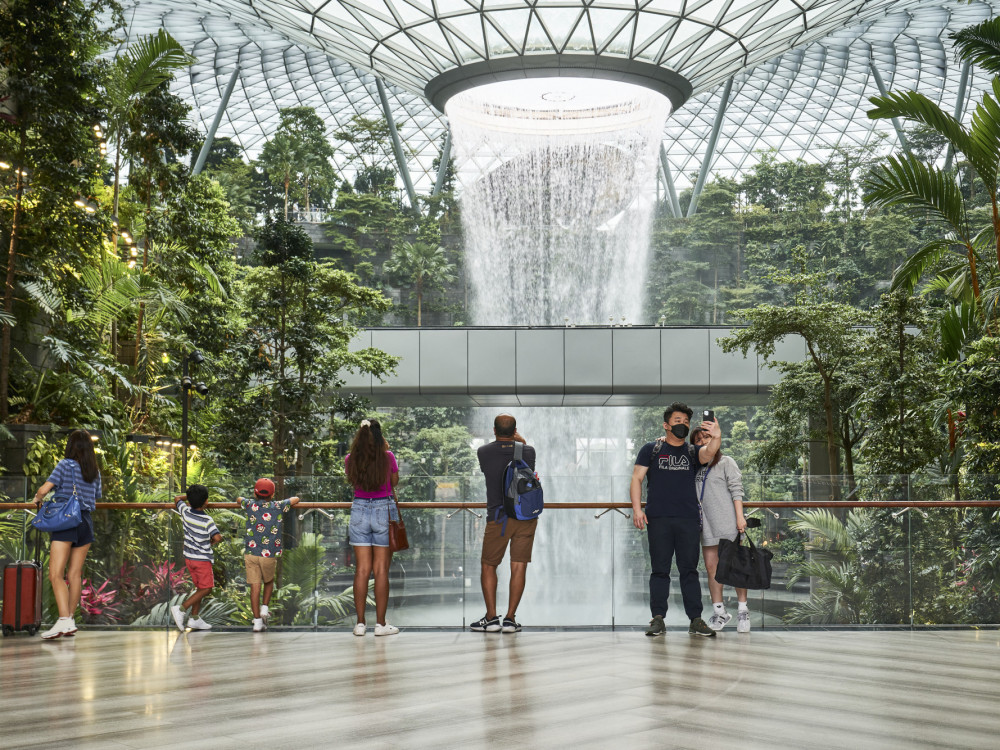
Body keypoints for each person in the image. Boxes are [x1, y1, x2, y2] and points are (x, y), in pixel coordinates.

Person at [630, 403, 720, 638]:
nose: (683, 425)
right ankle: (658, 618)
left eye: (686, 422)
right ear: (666, 425)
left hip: (688, 519)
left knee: (689, 570)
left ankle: (695, 619)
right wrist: (638, 509)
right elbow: (637, 479)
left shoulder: (692, 451)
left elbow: (709, 452)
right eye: (678, 420)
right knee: (659, 570)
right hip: (658, 519)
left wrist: (716, 435)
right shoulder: (651, 449)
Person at [32, 429, 102, 640]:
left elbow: (45, 490)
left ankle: (63, 620)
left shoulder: (65, 465)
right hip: (85, 522)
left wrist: (37, 498)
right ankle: (70, 619)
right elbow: (96, 496)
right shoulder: (94, 471)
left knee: (55, 574)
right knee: (74, 574)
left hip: (66, 522)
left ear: (71, 446)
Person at [471, 414, 536, 634]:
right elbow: (527, 465)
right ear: (515, 429)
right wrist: (520, 440)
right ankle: (510, 619)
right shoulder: (528, 451)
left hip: (498, 518)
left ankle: (491, 618)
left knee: (489, 565)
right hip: (525, 518)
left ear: (494, 430)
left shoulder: (484, 452)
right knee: (518, 566)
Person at [691, 427, 750, 632]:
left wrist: (740, 517)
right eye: (698, 439)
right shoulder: (694, 464)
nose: (703, 441)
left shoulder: (727, 462)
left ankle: (743, 611)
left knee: (734, 568)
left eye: (706, 436)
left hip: (727, 523)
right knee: (711, 568)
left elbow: (736, 490)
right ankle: (720, 613)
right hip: (706, 524)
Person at [345, 418, 400, 637]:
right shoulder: (388, 457)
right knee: (380, 571)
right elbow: (393, 483)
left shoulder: (351, 458)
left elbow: (352, 480)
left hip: (359, 509)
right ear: (379, 435)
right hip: (383, 511)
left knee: (361, 570)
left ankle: (360, 624)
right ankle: (380, 624)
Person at [237, 478, 300, 632]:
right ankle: (265, 608)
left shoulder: (250, 505)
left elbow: (239, 499)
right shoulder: (277, 506)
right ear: (272, 495)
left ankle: (257, 621)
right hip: (269, 553)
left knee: (254, 586)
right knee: (269, 581)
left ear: (255, 493)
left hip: (251, 553)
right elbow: (295, 499)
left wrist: (247, 499)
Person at [170, 484, 223, 632]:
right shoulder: (207, 520)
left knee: (200, 588)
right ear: (206, 501)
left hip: (189, 558)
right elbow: (217, 537)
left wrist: (191, 496)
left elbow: (176, 498)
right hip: (202, 560)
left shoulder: (185, 511)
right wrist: (213, 541)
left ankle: (194, 618)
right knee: (206, 589)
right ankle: (181, 609)